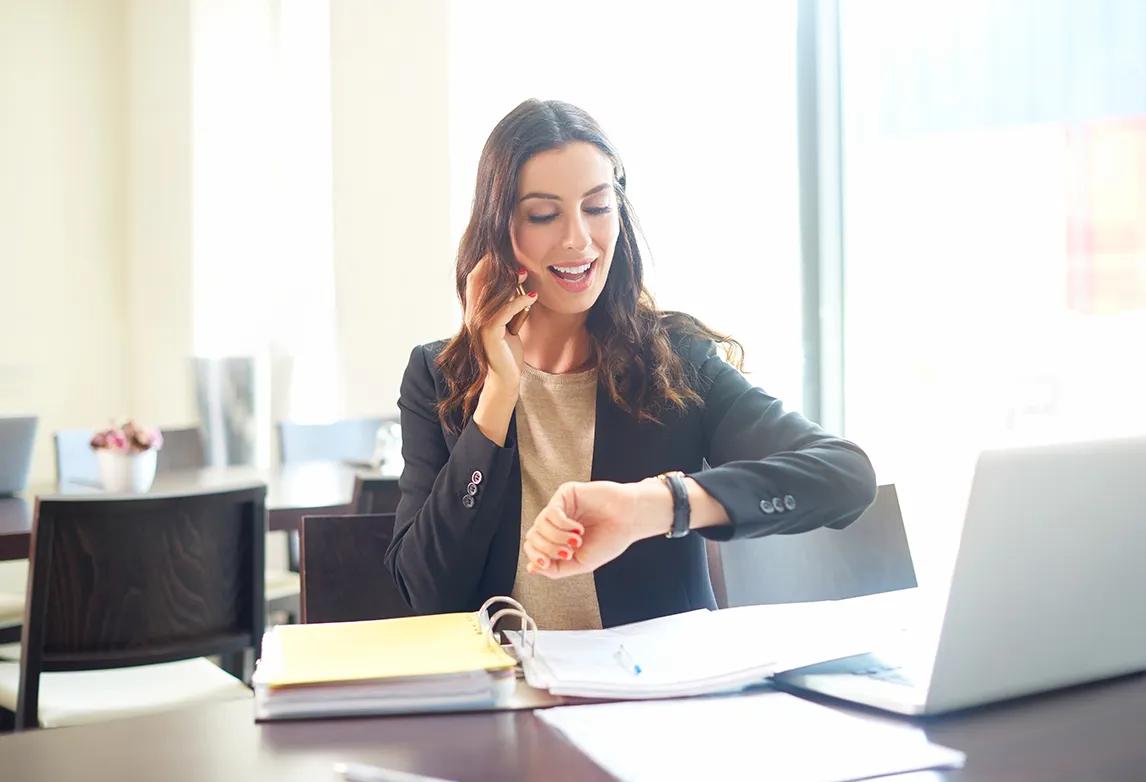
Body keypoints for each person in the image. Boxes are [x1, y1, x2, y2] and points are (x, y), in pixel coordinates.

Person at [385, 99, 877, 630]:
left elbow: (845, 476)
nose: (578, 238)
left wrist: (661, 504)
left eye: (597, 207)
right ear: (499, 229)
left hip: (653, 700)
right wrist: (499, 393)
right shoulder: (439, 375)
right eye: (544, 214)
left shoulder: (675, 362)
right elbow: (426, 594)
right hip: (504, 697)